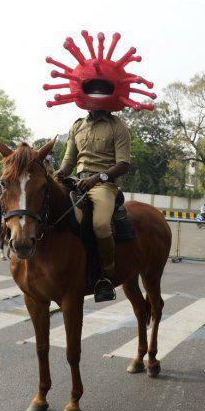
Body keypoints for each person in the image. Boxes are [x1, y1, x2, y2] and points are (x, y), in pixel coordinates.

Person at [54, 109, 131, 302]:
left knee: (101, 225)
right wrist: (60, 173)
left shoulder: (117, 126)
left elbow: (123, 164)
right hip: (76, 181)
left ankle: (106, 276)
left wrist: (98, 177)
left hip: (104, 185)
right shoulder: (78, 125)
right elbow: (69, 160)